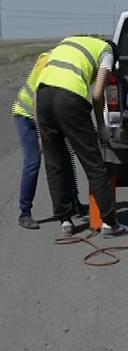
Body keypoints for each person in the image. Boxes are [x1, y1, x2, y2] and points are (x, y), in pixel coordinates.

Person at [36, 36, 128, 237]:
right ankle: (109, 223)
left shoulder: (69, 42)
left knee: (55, 163)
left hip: (43, 97)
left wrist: (39, 129)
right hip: (68, 99)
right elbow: (97, 94)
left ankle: (65, 221)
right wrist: (101, 126)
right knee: (93, 162)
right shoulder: (106, 50)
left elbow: (45, 79)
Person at [12, 51, 86, 230]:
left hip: (48, 113)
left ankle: (73, 201)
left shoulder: (64, 63)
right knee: (33, 161)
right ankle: (25, 212)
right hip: (26, 115)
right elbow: (37, 99)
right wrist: (40, 134)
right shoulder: (48, 61)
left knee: (65, 155)